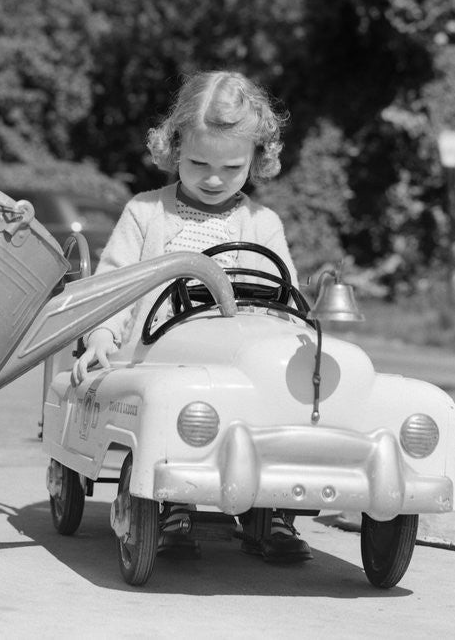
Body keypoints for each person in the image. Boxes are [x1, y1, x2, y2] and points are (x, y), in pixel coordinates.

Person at [71, 70, 312, 563]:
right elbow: (113, 285)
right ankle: (172, 505)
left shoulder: (261, 224)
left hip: (237, 361)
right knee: (174, 410)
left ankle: (273, 511)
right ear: (174, 147)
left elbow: (284, 302)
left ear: (256, 160)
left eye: (232, 167)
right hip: (160, 355)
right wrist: (99, 337)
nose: (213, 178)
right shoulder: (146, 213)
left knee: (279, 406)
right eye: (199, 162)